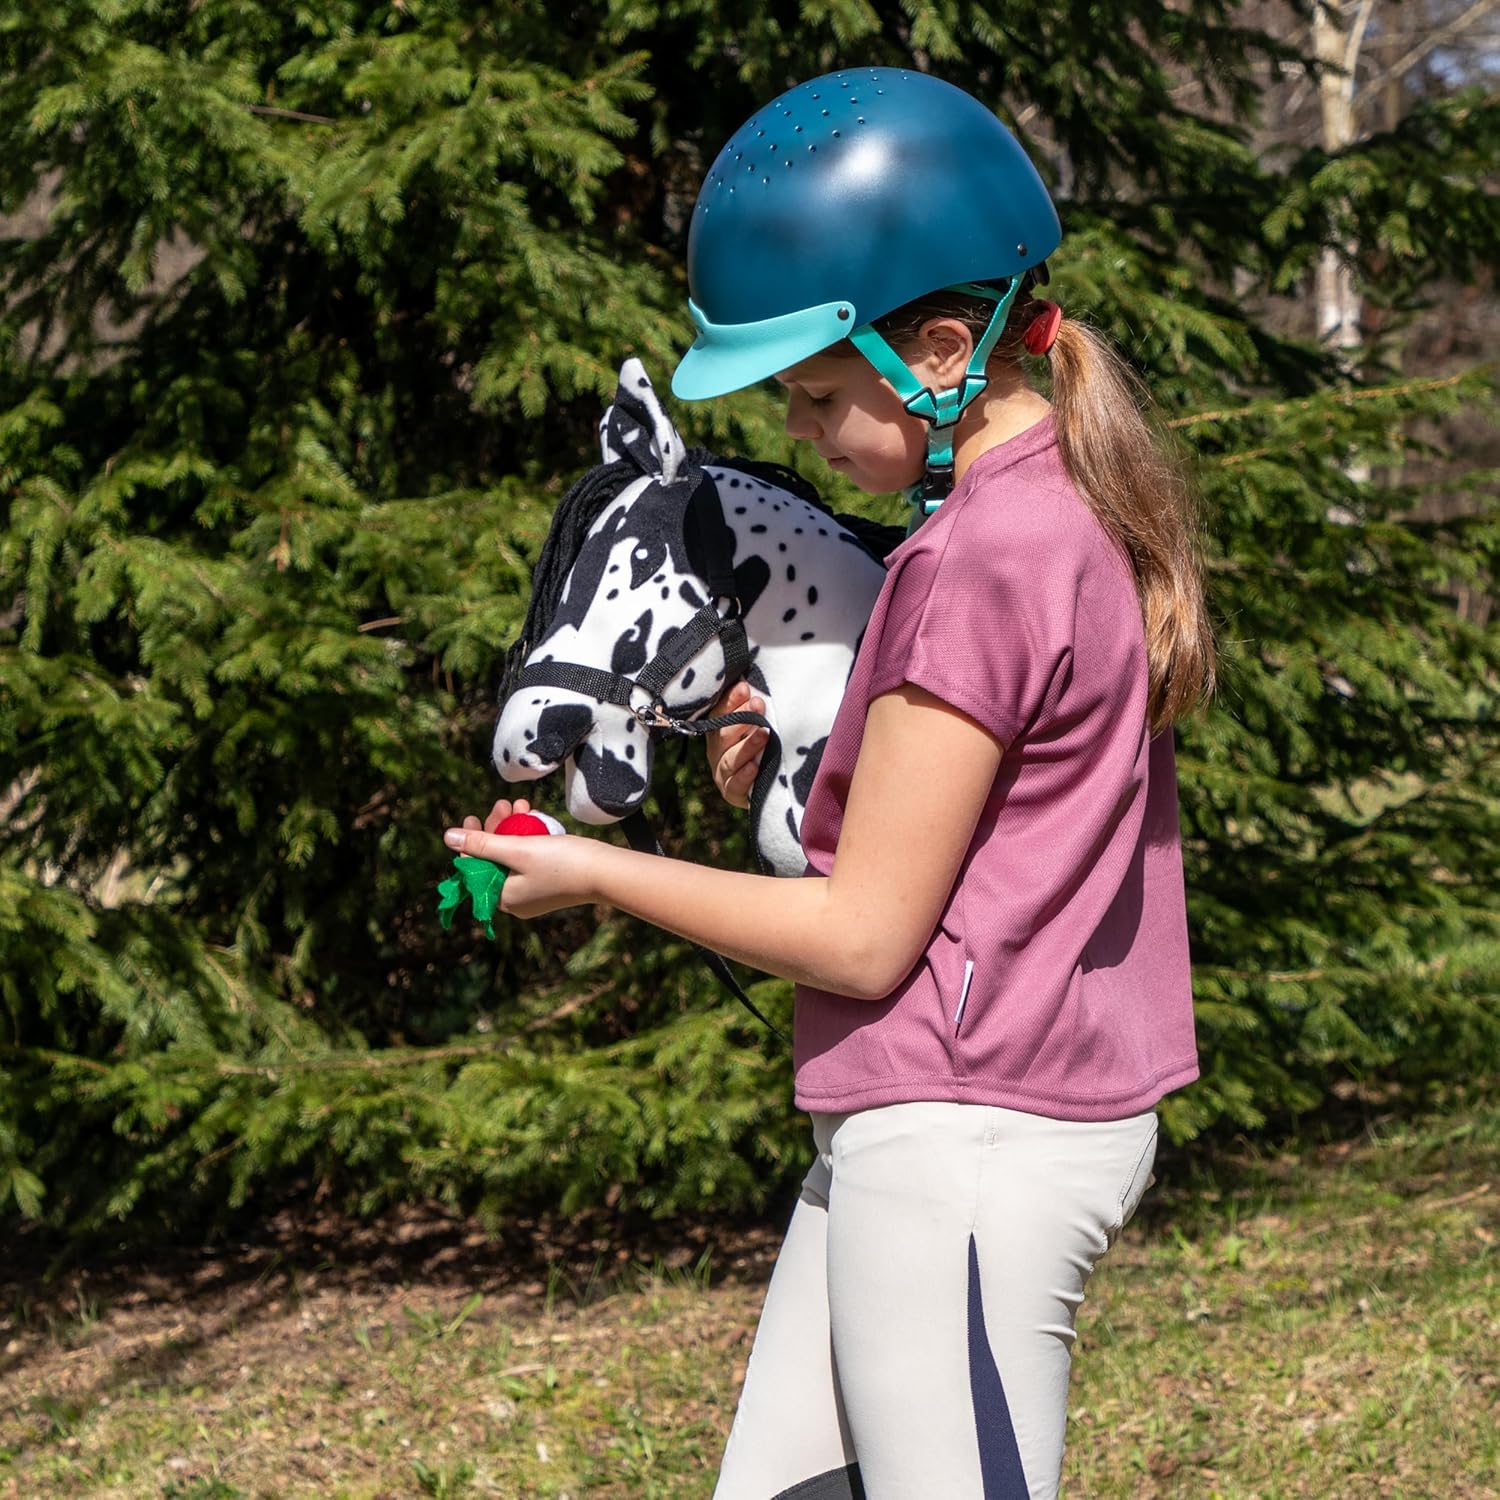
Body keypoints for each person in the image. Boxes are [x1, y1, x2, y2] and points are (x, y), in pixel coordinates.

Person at [445, 67, 1214, 1500]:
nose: (797, 431)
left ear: (940, 351)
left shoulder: (975, 565)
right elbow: (989, 844)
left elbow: (865, 937)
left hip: (970, 1144)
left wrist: (596, 871)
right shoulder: (1048, 513)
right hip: (931, 1126)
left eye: (813, 394)